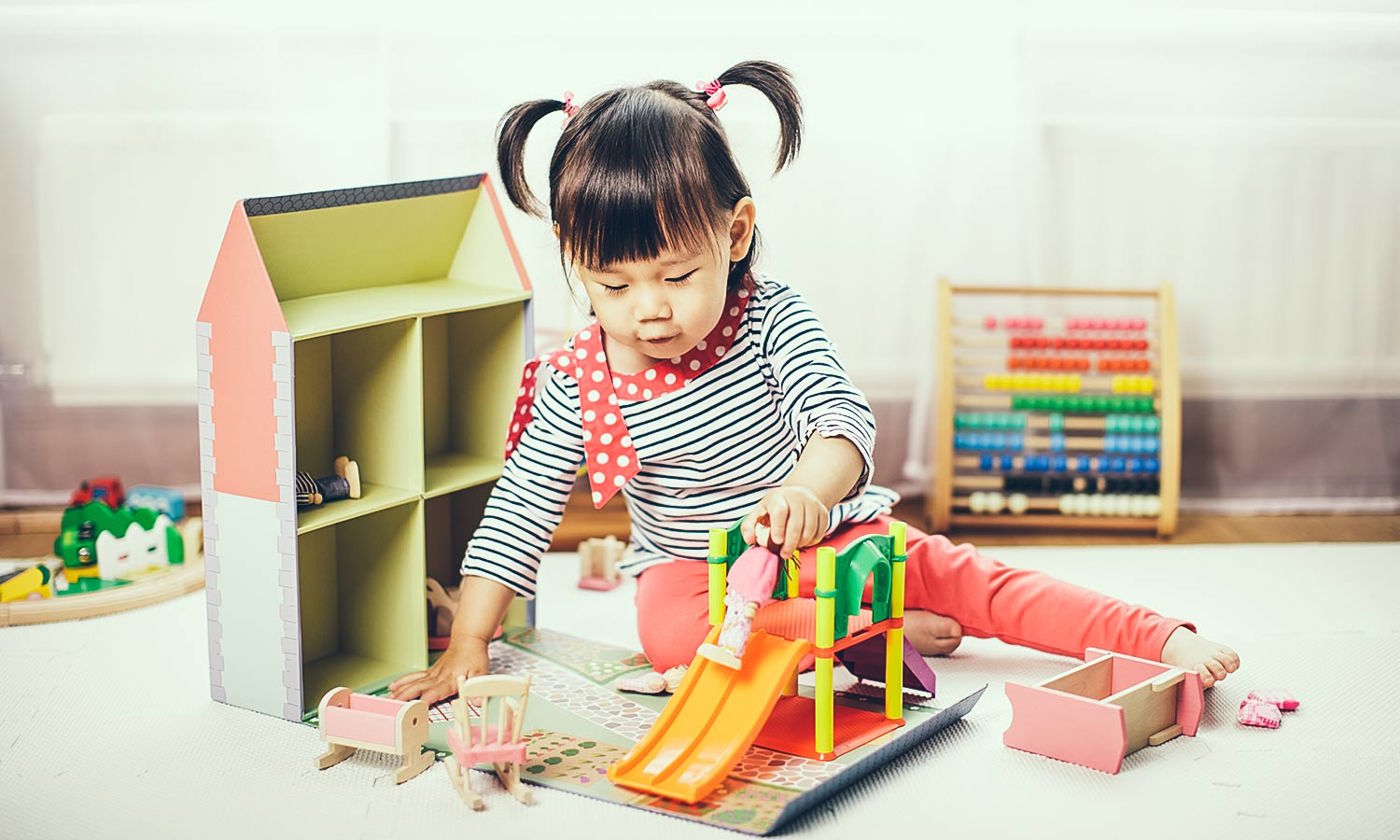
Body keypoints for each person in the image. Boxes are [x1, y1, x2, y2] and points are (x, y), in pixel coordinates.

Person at [389, 60, 1238, 705]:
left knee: (972, 579)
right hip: (696, 575)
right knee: (671, 639)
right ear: (575, 260)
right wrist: (469, 642)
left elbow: (841, 420)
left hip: (826, 540)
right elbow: (522, 509)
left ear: (735, 235)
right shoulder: (578, 377)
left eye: (676, 276)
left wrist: (807, 492)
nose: (648, 310)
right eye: (612, 285)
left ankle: (1154, 636)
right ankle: (865, 634)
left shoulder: (770, 317)